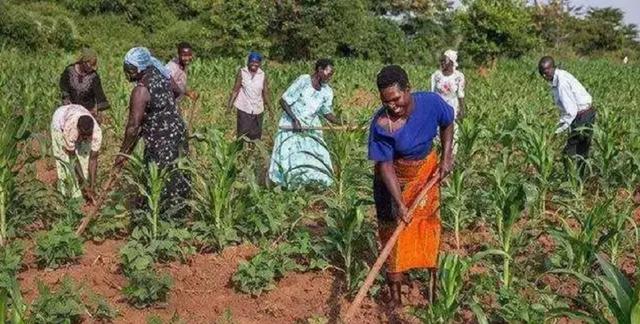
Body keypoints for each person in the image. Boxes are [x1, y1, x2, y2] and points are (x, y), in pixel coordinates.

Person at [369, 65, 454, 307]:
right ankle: (395, 298)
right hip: (391, 183)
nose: (392, 106)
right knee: (392, 235)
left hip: (425, 174)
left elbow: (447, 123)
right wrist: (400, 204)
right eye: (386, 102)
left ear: (408, 89)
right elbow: (385, 166)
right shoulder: (382, 124)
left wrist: (446, 157)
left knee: (427, 226)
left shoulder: (431, 103)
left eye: (396, 99)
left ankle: (433, 291)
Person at [115, 47, 190, 213]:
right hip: (178, 132)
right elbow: (178, 92)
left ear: (141, 67)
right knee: (176, 175)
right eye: (126, 69)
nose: (128, 73)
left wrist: (122, 155)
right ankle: (179, 217)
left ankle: (159, 220)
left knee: (158, 180)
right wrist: (164, 109)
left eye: (131, 69)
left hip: (160, 140)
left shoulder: (141, 90)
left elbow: (133, 127)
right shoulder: (161, 75)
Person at [268, 59, 342, 187]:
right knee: (292, 157)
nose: (330, 77)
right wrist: (295, 120)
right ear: (319, 70)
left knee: (318, 156)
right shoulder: (304, 81)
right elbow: (284, 101)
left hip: (311, 127)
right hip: (292, 125)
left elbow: (326, 113)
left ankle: (313, 185)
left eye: (332, 74)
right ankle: (290, 187)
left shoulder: (327, 91)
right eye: (328, 73)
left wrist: (342, 122)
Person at [538, 56, 596, 175]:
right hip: (582, 114)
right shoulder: (558, 77)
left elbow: (571, 111)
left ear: (552, 67)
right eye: (542, 73)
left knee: (570, 153)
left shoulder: (562, 82)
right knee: (580, 151)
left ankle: (573, 181)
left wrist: (555, 131)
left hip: (582, 116)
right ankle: (578, 181)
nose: (544, 76)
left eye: (546, 72)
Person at [51, 104, 102, 203]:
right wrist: (84, 182)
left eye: (88, 136)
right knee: (64, 160)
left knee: (85, 157)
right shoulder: (70, 129)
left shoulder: (97, 133)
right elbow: (73, 157)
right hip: (60, 120)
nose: (84, 138)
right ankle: (67, 195)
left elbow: (93, 159)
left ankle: (86, 192)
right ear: (78, 129)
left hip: (77, 112)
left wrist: (92, 185)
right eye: (82, 135)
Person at [227, 51, 272, 140]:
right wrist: (229, 107)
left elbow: (265, 93)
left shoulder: (262, 75)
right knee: (242, 134)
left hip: (258, 110)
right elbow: (235, 91)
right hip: (244, 108)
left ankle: (252, 152)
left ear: (260, 63)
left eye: (256, 62)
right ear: (248, 62)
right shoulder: (242, 72)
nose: (254, 64)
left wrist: (271, 110)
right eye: (252, 61)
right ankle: (240, 152)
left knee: (255, 136)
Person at [59, 48, 110, 121]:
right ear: (84, 62)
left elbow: (99, 94)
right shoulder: (69, 71)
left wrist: (99, 114)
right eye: (90, 65)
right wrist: (66, 99)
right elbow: (63, 85)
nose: (91, 68)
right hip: (70, 108)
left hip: (87, 111)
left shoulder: (93, 76)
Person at [431, 50, 465, 153]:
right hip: (439, 106)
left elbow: (460, 94)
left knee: (452, 133)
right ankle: (437, 157)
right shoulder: (436, 75)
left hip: (452, 106)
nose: (441, 62)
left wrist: (462, 109)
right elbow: (432, 93)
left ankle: (451, 158)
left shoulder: (459, 76)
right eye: (441, 60)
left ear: (451, 61)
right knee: (437, 133)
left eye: (444, 60)